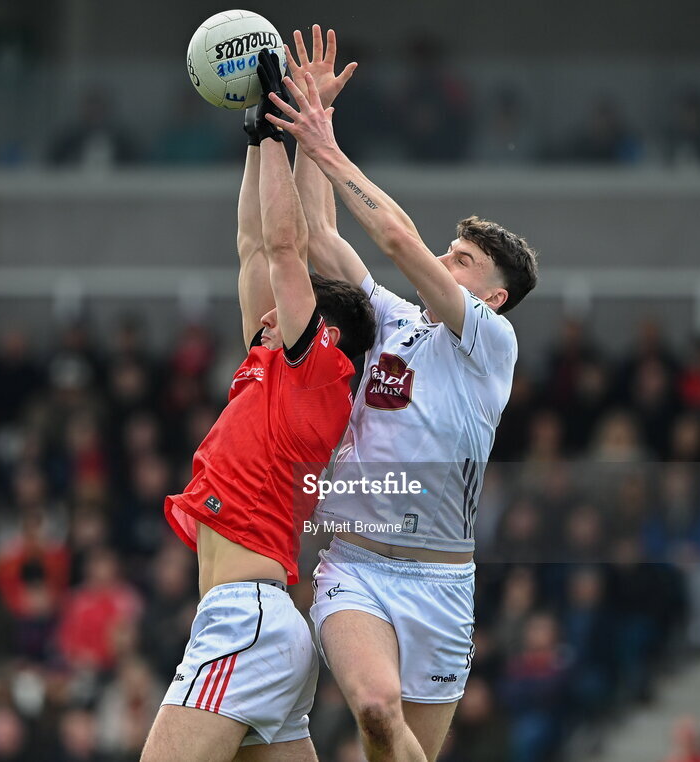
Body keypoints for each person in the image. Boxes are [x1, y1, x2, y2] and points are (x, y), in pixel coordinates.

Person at [268, 26, 539, 761]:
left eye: (463, 259)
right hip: (355, 564)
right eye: (448, 250)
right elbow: (320, 231)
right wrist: (308, 124)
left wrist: (328, 144)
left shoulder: (489, 344)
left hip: (445, 584)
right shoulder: (391, 316)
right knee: (376, 710)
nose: (444, 261)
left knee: (404, 750)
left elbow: (396, 240)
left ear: (496, 295)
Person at [139, 50, 375, 762]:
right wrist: (282, 127)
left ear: (320, 330)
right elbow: (255, 246)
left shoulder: (317, 376)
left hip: (244, 621)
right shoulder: (275, 369)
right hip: (263, 625)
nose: (265, 315)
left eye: (287, 308)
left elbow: (285, 245)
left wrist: (265, 135)